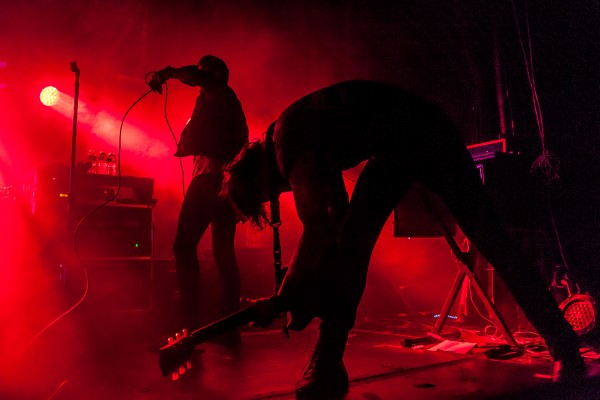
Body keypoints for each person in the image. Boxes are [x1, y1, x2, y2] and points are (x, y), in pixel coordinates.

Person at [226, 80, 586, 398]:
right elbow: (336, 219)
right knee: (354, 245)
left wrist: (287, 294)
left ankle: (565, 349)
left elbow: (318, 226)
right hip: (397, 147)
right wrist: (299, 289)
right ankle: (328, 361)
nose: (281, 194)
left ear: (260, 178)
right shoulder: (299, 137)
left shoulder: (287, 144)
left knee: (494, 244)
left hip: (428, 136)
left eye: (266, 195)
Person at [148, 55, 248, 331]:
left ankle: (189, 323)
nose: (197, 77)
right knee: (223, 251)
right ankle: (229, 326)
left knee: (183, 246)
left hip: (210, 180)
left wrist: (168, 72)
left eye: (202, 72)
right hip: (228, 185)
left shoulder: (220, 94)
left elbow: (198, 76)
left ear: (211, 76)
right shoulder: (225, 102)